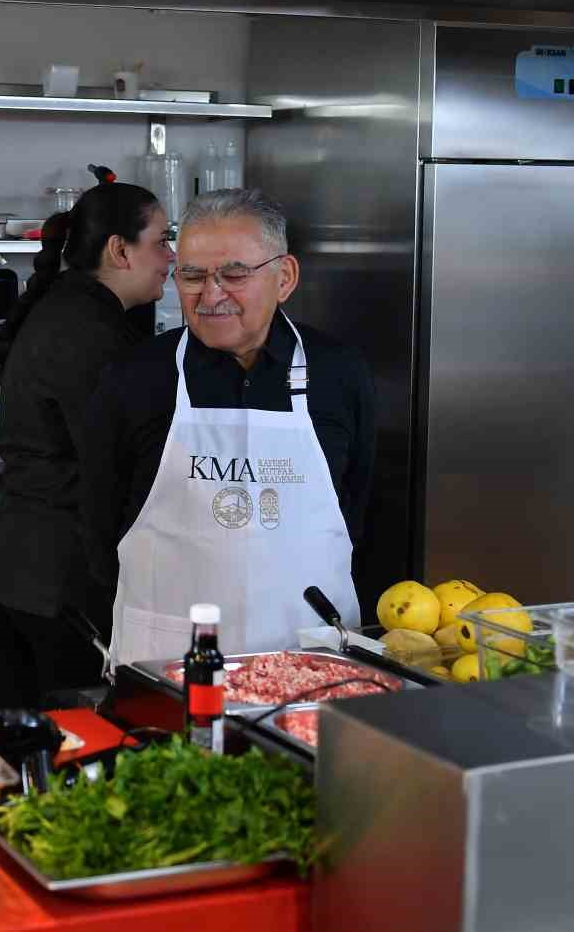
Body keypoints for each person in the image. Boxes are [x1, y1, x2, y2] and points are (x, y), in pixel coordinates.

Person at [80, 189, 375, 665]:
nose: (211, 295)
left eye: (234, 274)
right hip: (169, 659)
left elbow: (356, 514)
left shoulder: (339, 374)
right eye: (192, 276)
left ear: (285, 277)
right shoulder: (135, 377)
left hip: (310, 662)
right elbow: (96, 525)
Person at [0, 179, 173, 705]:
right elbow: (116, 463)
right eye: (161, 240)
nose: (170, 256)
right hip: (64, 578)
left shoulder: (80, 314)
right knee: (80, 729)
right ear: (119, 250)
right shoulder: (88, 333)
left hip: (41, 573)